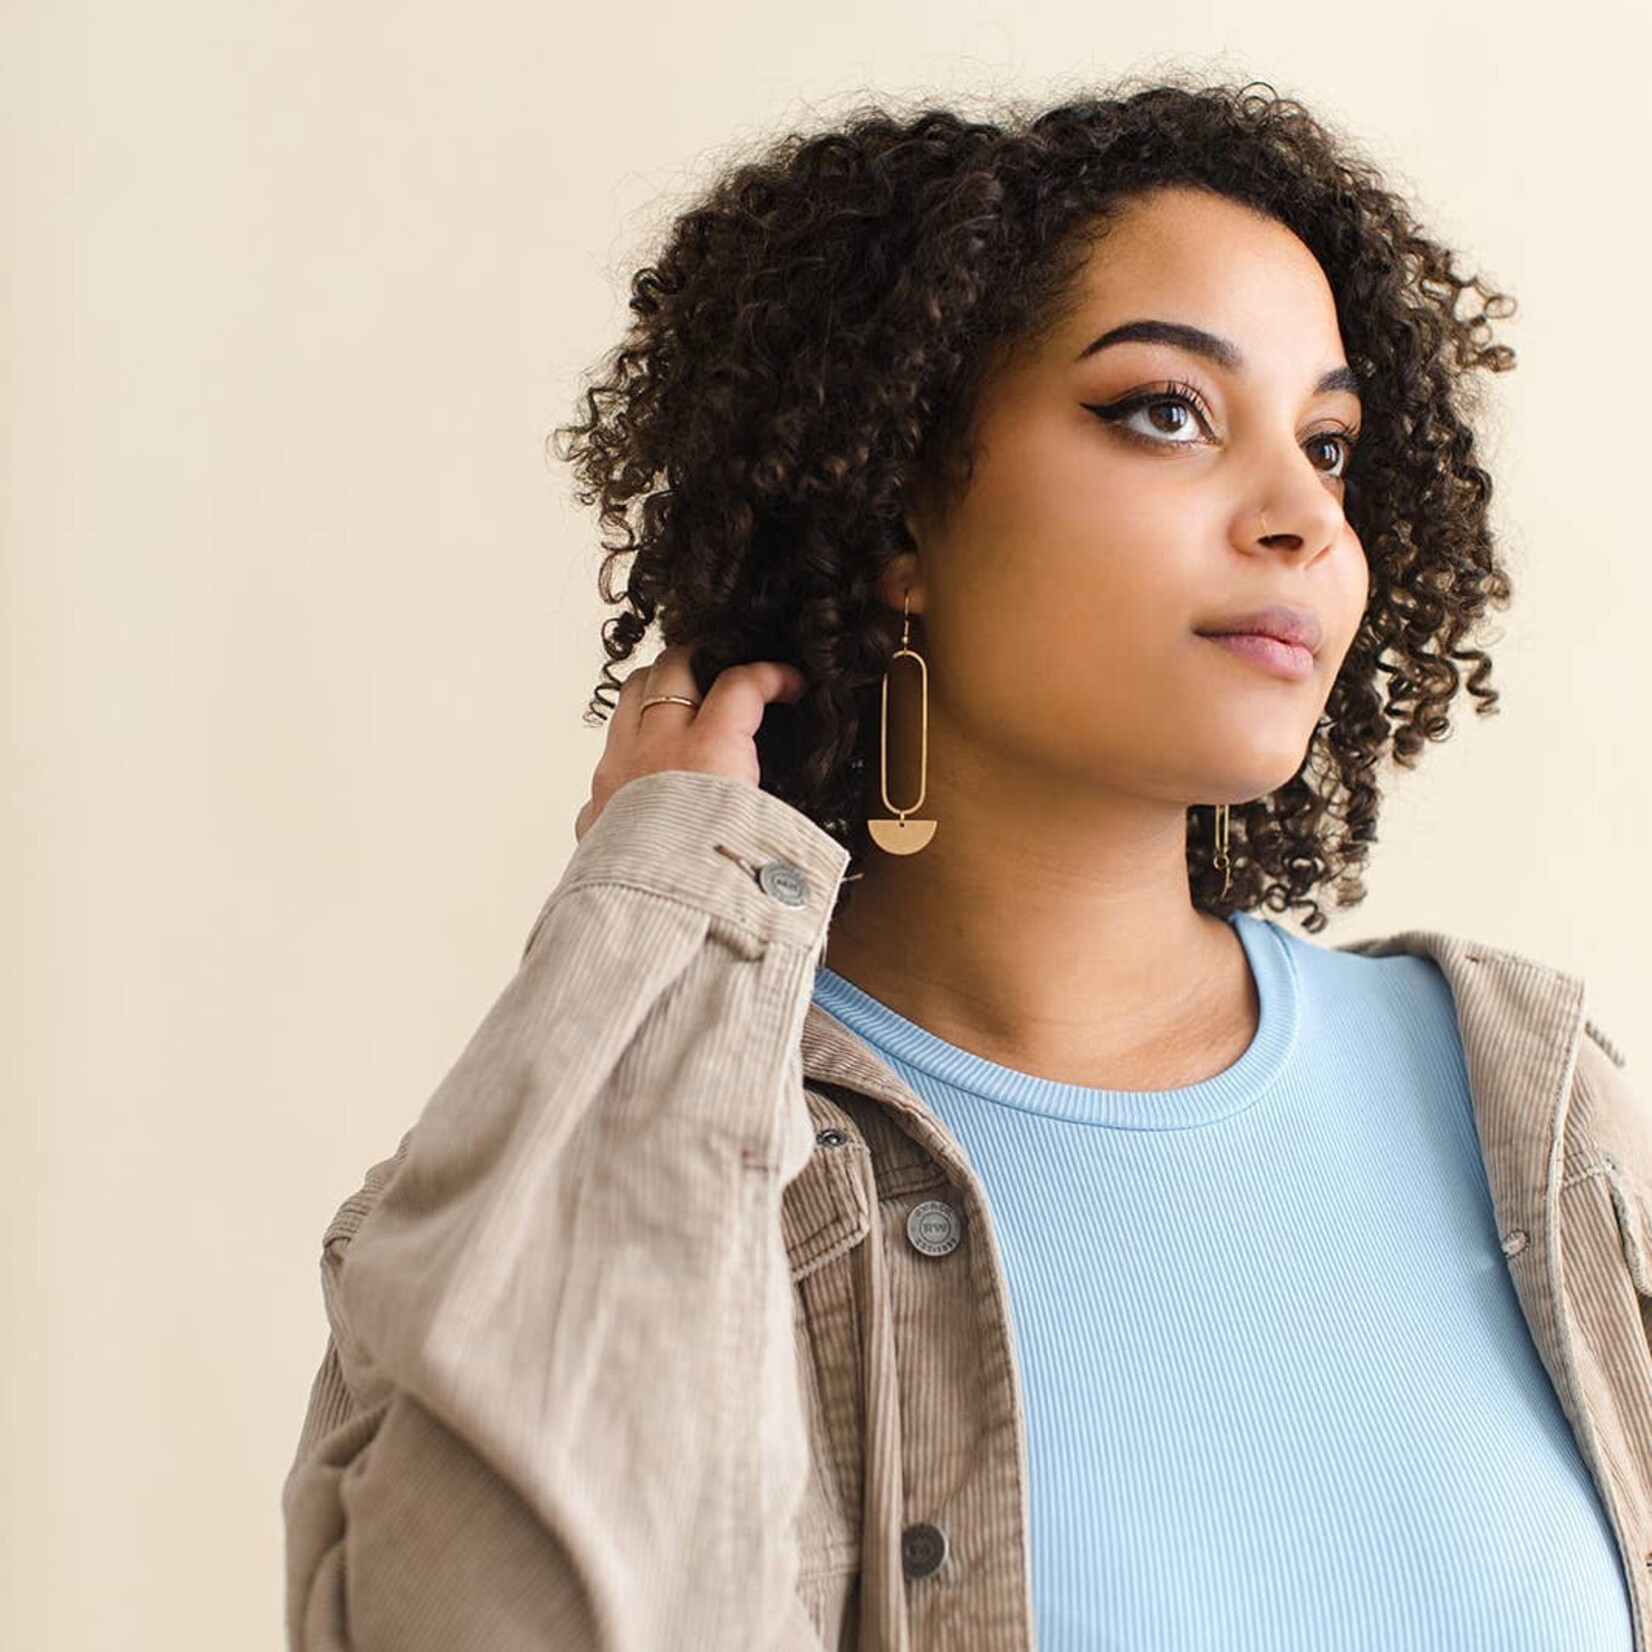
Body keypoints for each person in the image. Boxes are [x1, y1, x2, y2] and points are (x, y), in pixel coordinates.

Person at [281, 78, 1652, 1650]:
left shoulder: (1522, 1104)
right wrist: (656, 928)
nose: (1303, 520)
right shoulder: (682, 1128)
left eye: (1329, 445)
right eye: (1165, 410)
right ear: (899, 513)